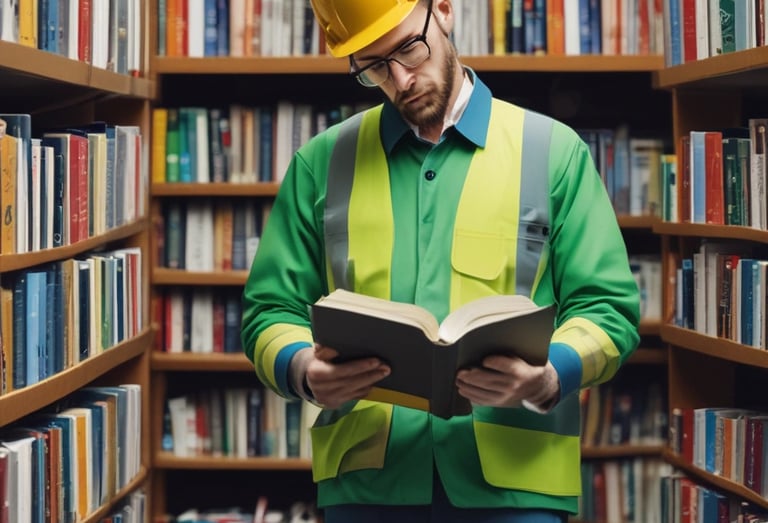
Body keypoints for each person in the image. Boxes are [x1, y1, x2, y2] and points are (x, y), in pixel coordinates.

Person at [241, 0, 640, 521]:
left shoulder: (552, 151)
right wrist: (304, 368)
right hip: (367, 488)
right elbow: (269, 311)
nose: (402, 78)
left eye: (409, 47)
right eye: (375, 67)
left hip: (515, 490)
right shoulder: (322, 163)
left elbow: (608, 309)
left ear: (445, 10)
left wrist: (549, 376)